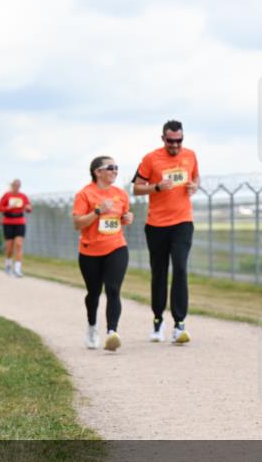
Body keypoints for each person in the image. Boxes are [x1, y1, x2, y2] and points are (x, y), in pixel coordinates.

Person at [132, 120, 199, 344]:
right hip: (157, 225)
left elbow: (195, 177)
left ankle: (179, 324)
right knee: (159, 272)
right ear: (163, 139)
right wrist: (157, 187)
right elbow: (136, 188)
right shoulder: (150, 159)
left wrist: (194, 186)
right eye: (171, 141)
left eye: (179, 140)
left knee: (180, 268)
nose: (175, 145)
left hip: (182, 222)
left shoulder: (190, 155)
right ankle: (158, 320)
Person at [72, 156, 133, 351]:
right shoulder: (85, 194)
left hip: (116, 246)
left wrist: (126, 218)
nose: (115, 171)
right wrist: (98, 211)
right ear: (98, 172)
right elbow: (77, 223)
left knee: (113, 289)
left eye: (116, 167)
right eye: (111, 167)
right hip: (90, 251)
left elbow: (120, 218)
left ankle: (112, 333)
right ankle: (92, 326)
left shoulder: (121, 194)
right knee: (94, 293)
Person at [0, 179, 33, 277]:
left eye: (18, 185)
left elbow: (29, 208)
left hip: (20, 221)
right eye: (15, 185)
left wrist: (28, 208)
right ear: (12, 186)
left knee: (19, 244)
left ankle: (17, 269)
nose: (17, 187)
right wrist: (7, 208)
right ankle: (8, 265)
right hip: (8, 222)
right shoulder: (7, 195)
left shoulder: (23, 196)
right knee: (9, 247)